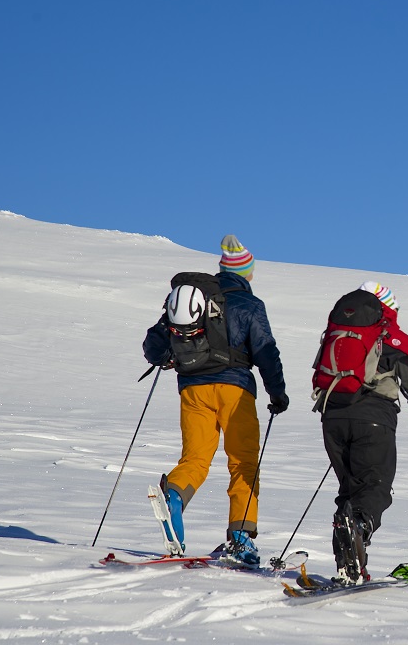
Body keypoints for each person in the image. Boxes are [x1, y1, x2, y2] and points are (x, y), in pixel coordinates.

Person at [142, 234, 289, 567]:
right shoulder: (250, 304)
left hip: (192, 390)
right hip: (235, 392)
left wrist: (169, 358)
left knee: (195, 459)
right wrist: (277, 393)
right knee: (243, 463)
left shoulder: (189, 301)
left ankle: (175, 496)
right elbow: (267, 352)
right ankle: (240, 539)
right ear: (246, 272)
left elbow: (152, 345)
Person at [315, 281, 408, 584]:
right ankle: (358, 527)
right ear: (389, 307)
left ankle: (348, 565)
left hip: (332, 416)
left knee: (349, 490)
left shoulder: (338, 332)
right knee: (375, 487)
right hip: (373, 418)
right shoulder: (393, 337)